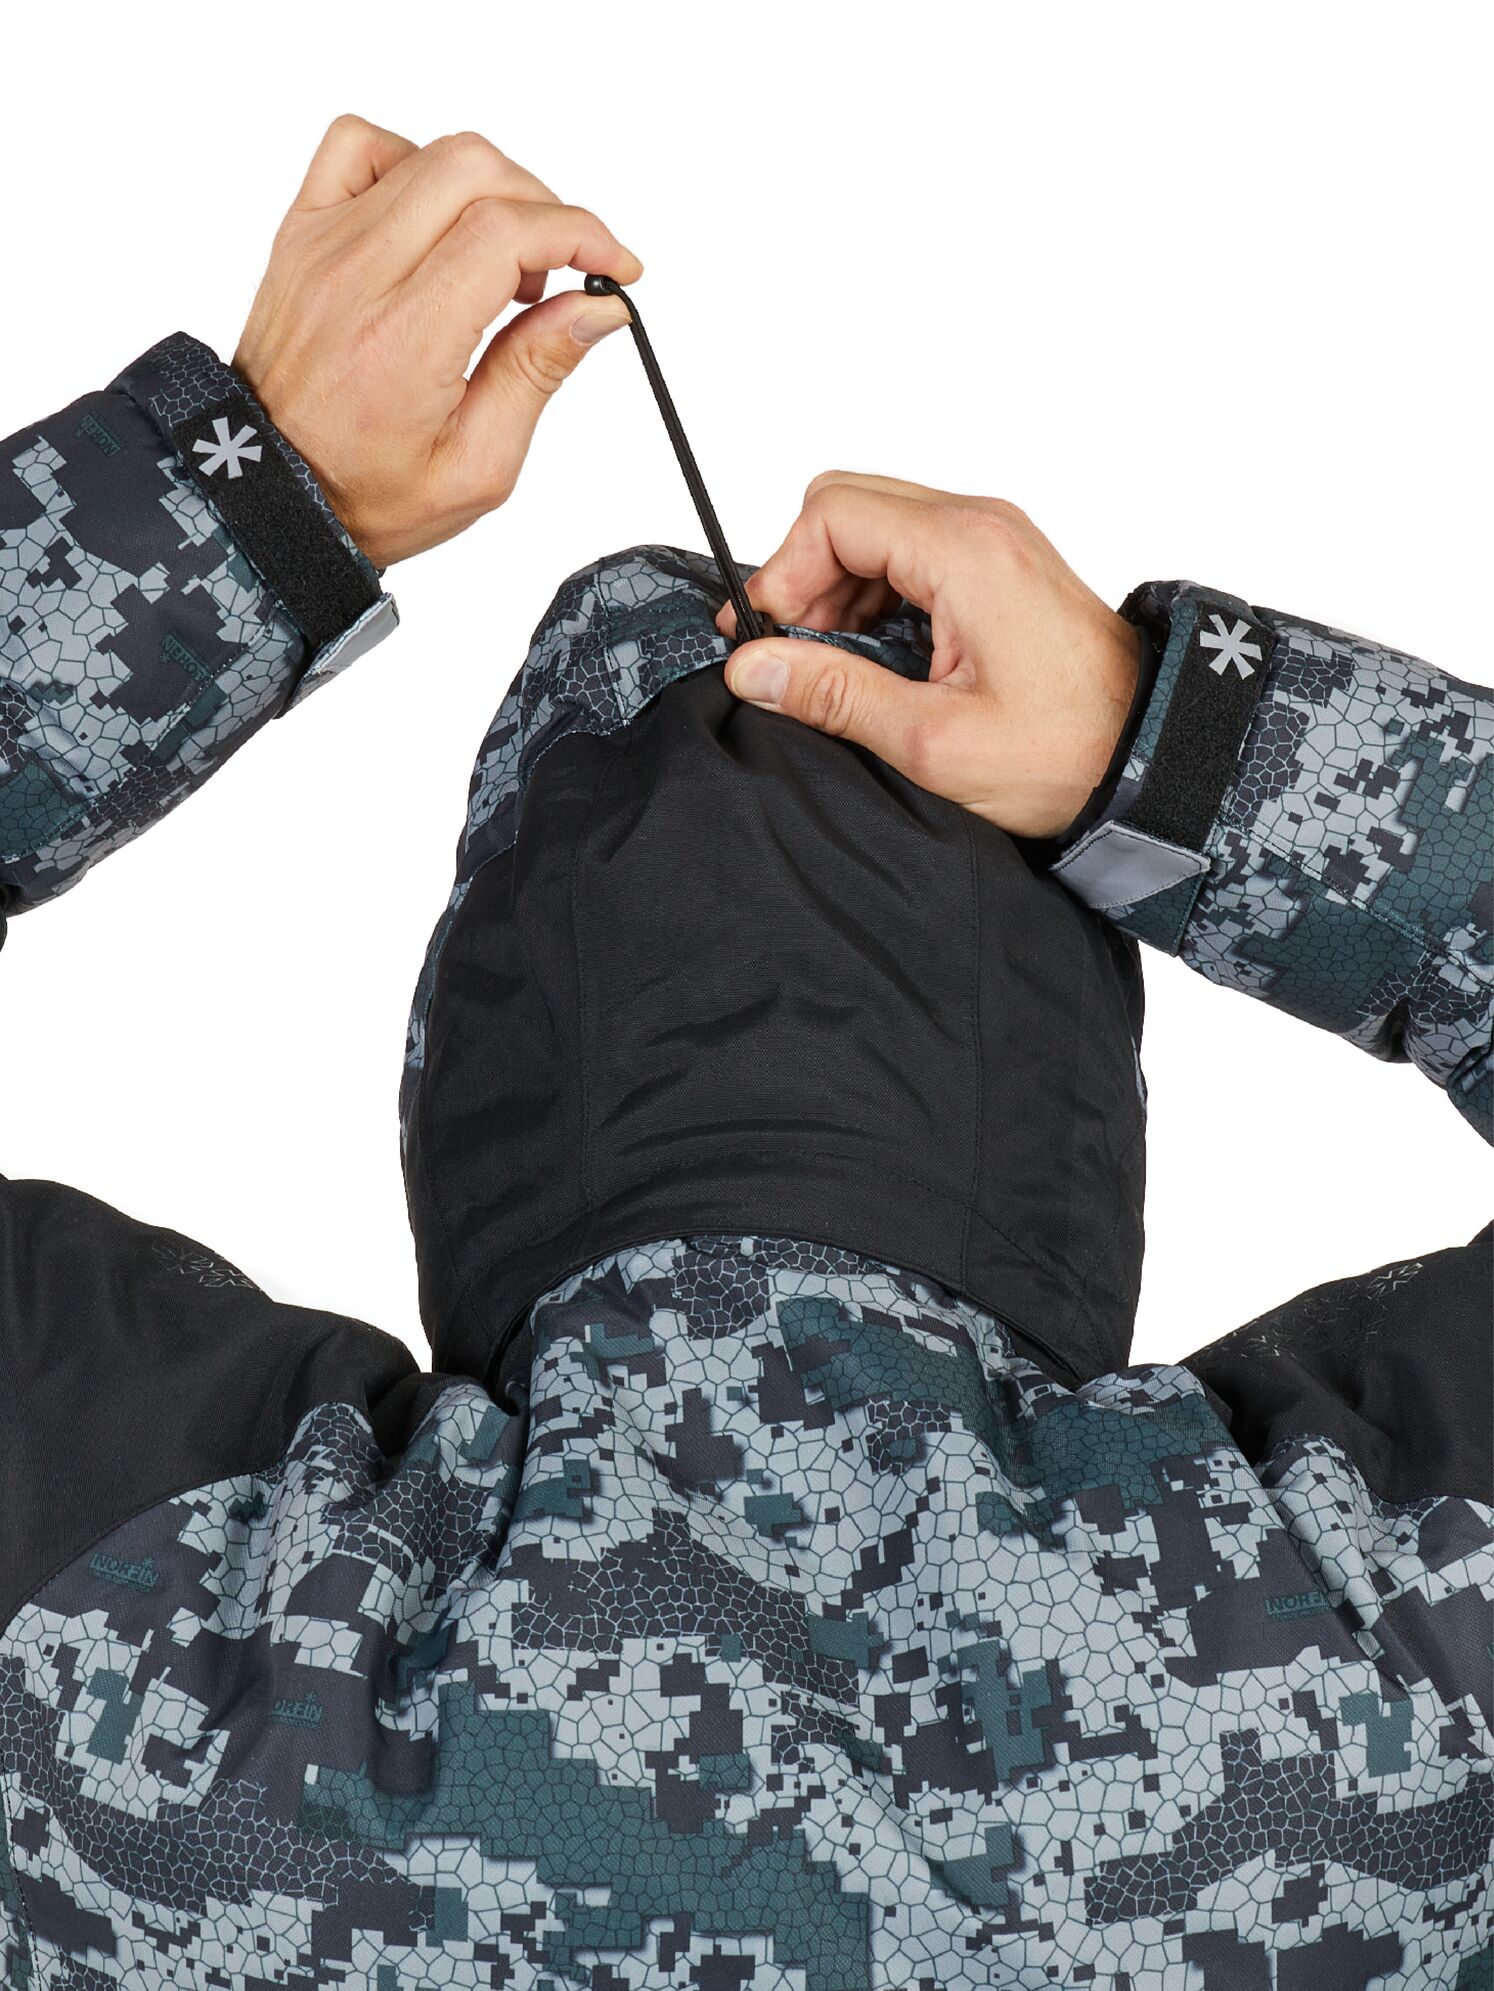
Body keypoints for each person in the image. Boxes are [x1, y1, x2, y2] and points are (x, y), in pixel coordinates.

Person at [0, 114, 1487, 1991]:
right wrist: (1167, 752)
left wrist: (234, 501)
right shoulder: (1378, 1719)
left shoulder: (152, 1695)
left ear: (469, 1078)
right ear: (1080, 1098)